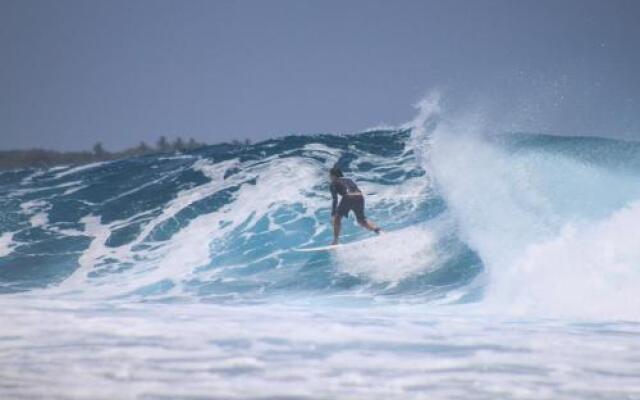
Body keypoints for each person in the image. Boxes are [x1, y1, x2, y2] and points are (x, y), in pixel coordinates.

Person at [329, 166, 380, 245]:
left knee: (337, 219)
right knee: (361, 220)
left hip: (348, 197)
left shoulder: (333, 184)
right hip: (359, 196)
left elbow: (335, 200)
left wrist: (333, 214)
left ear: (333, 176)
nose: (330, 178)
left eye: (330, 176)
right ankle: (378, 230)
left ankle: (335, 241)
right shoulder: (349, 180)